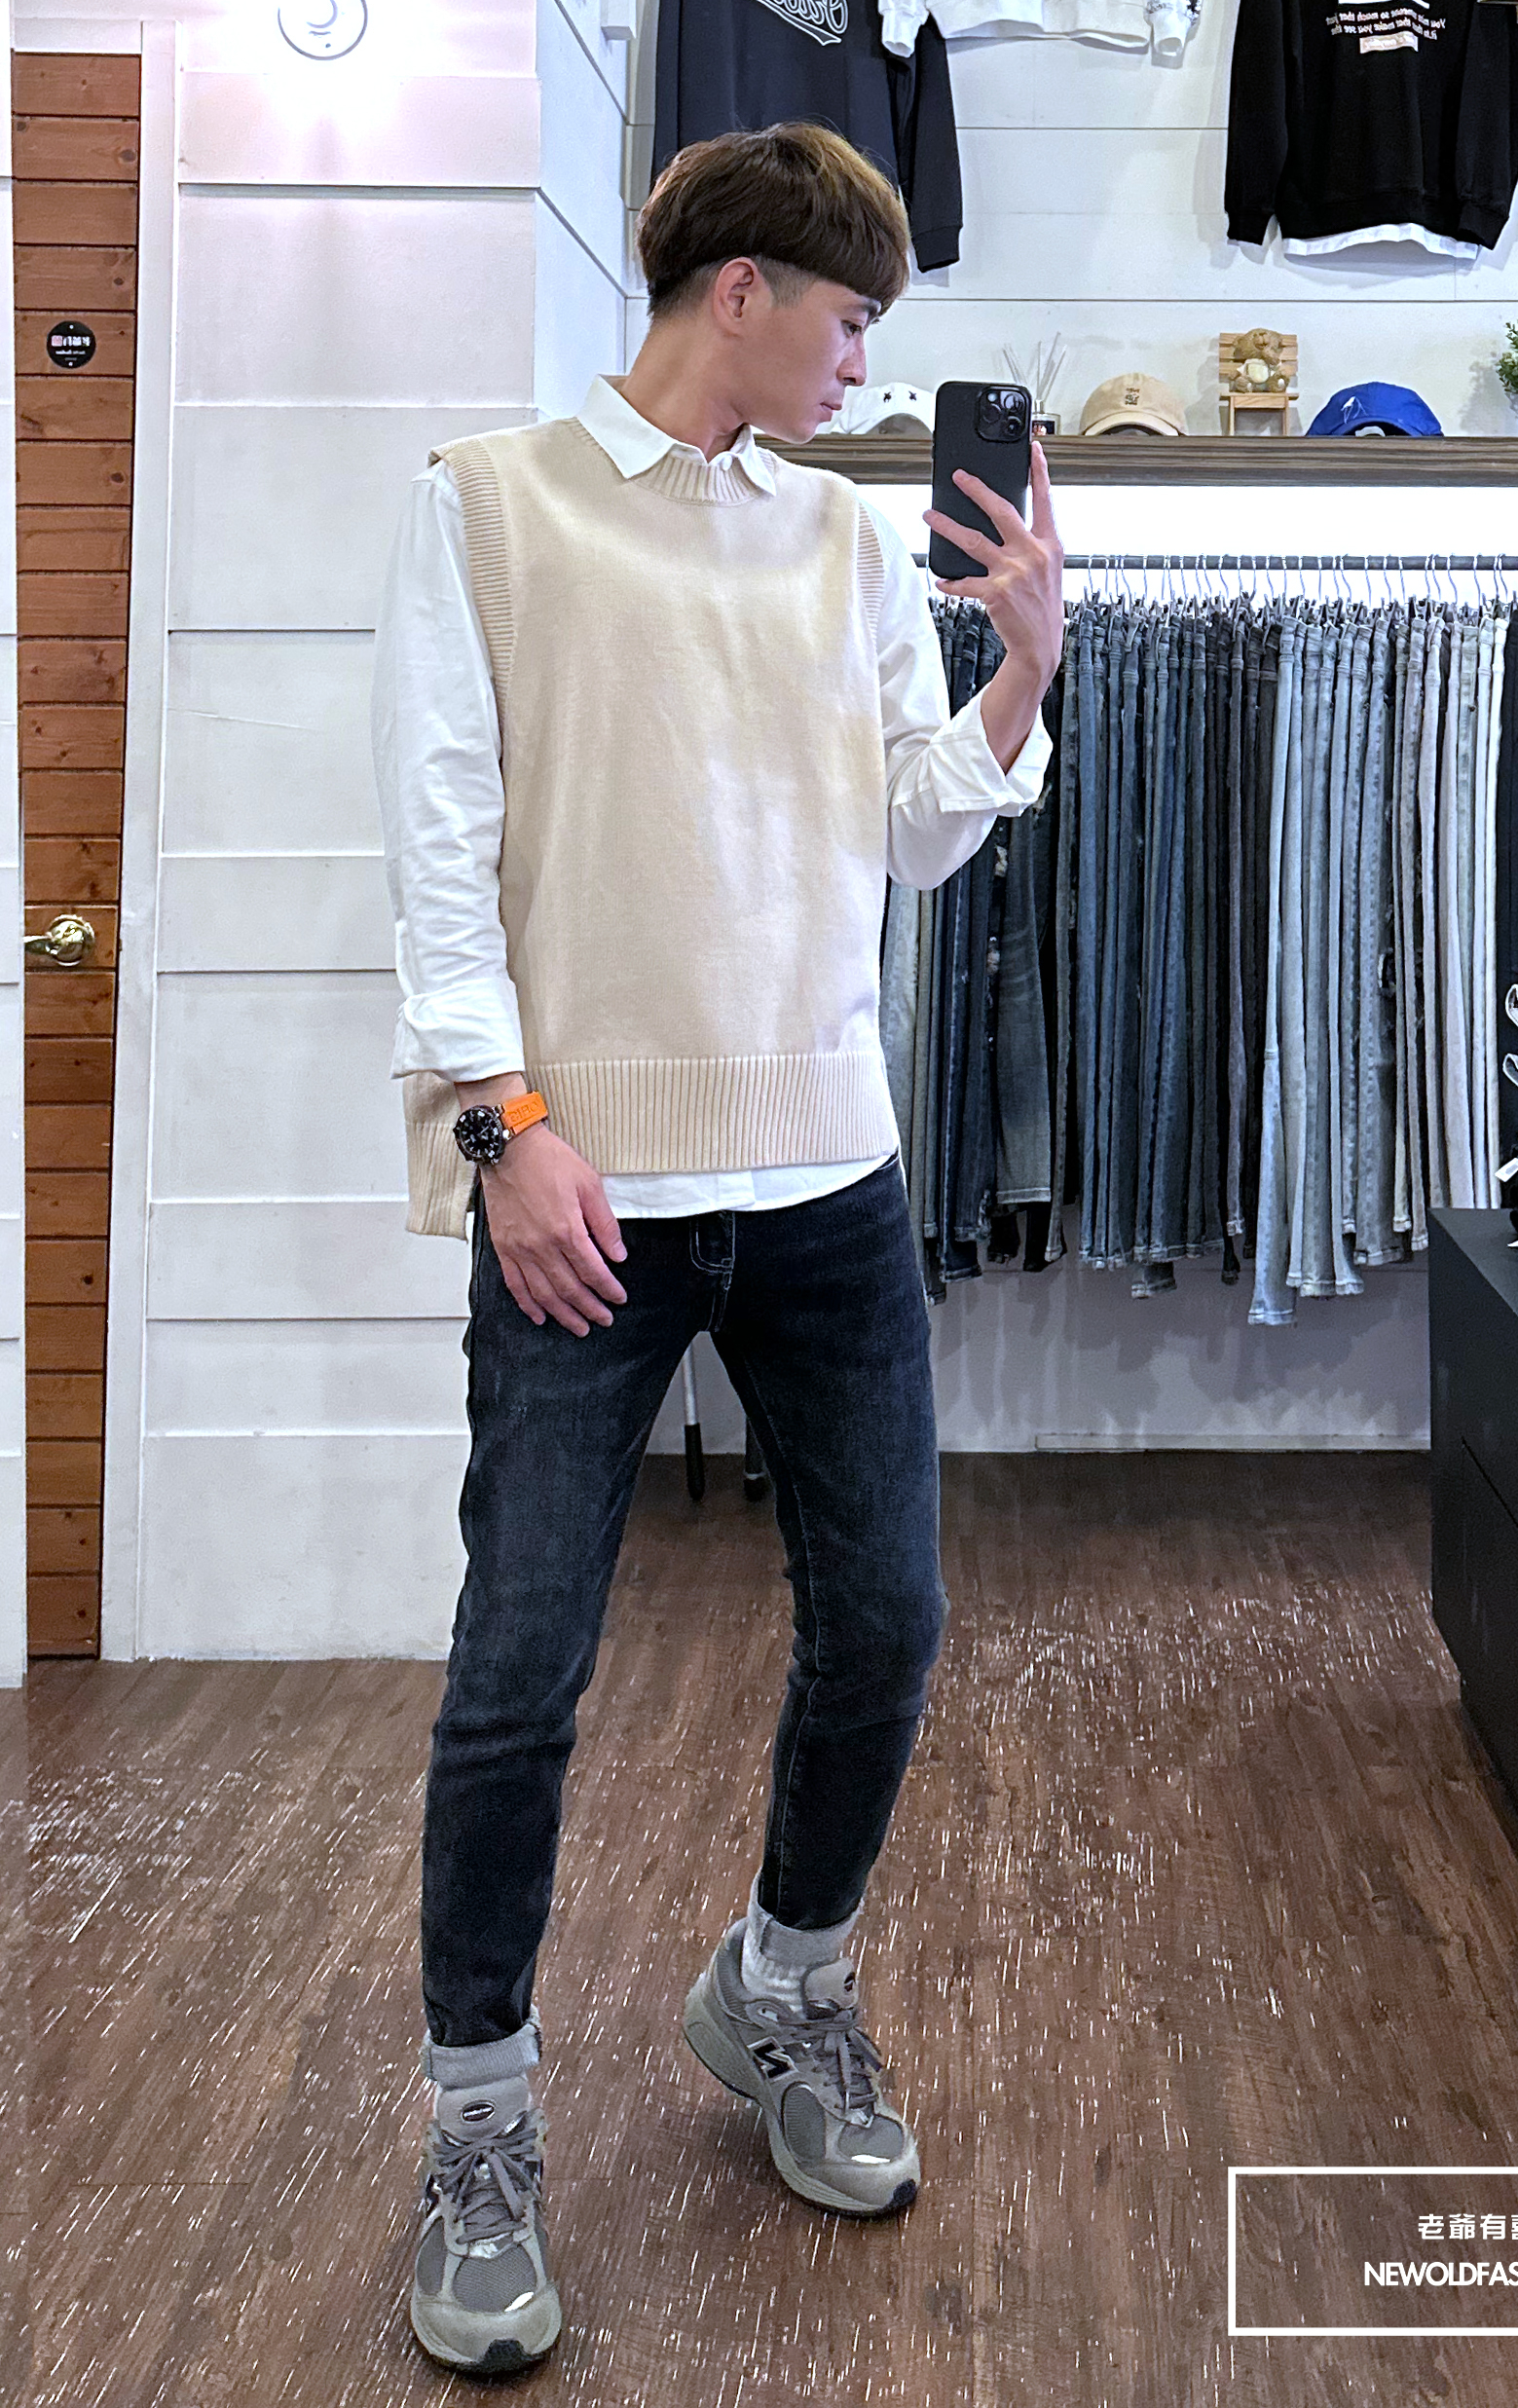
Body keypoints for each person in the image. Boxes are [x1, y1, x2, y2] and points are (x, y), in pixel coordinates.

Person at [369, 122, 1065, 2377]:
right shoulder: (488, 502)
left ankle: (783, 1988)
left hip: (824, 1178)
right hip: (577, 1186)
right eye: (849, 319)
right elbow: (440, 849)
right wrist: (505, 1130)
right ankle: (480, 2128)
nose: (866, 365)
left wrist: (1019, 673)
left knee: (887, 1624)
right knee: (516, 1674)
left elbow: (911, 832)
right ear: (740, 291)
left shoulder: (847, 541)